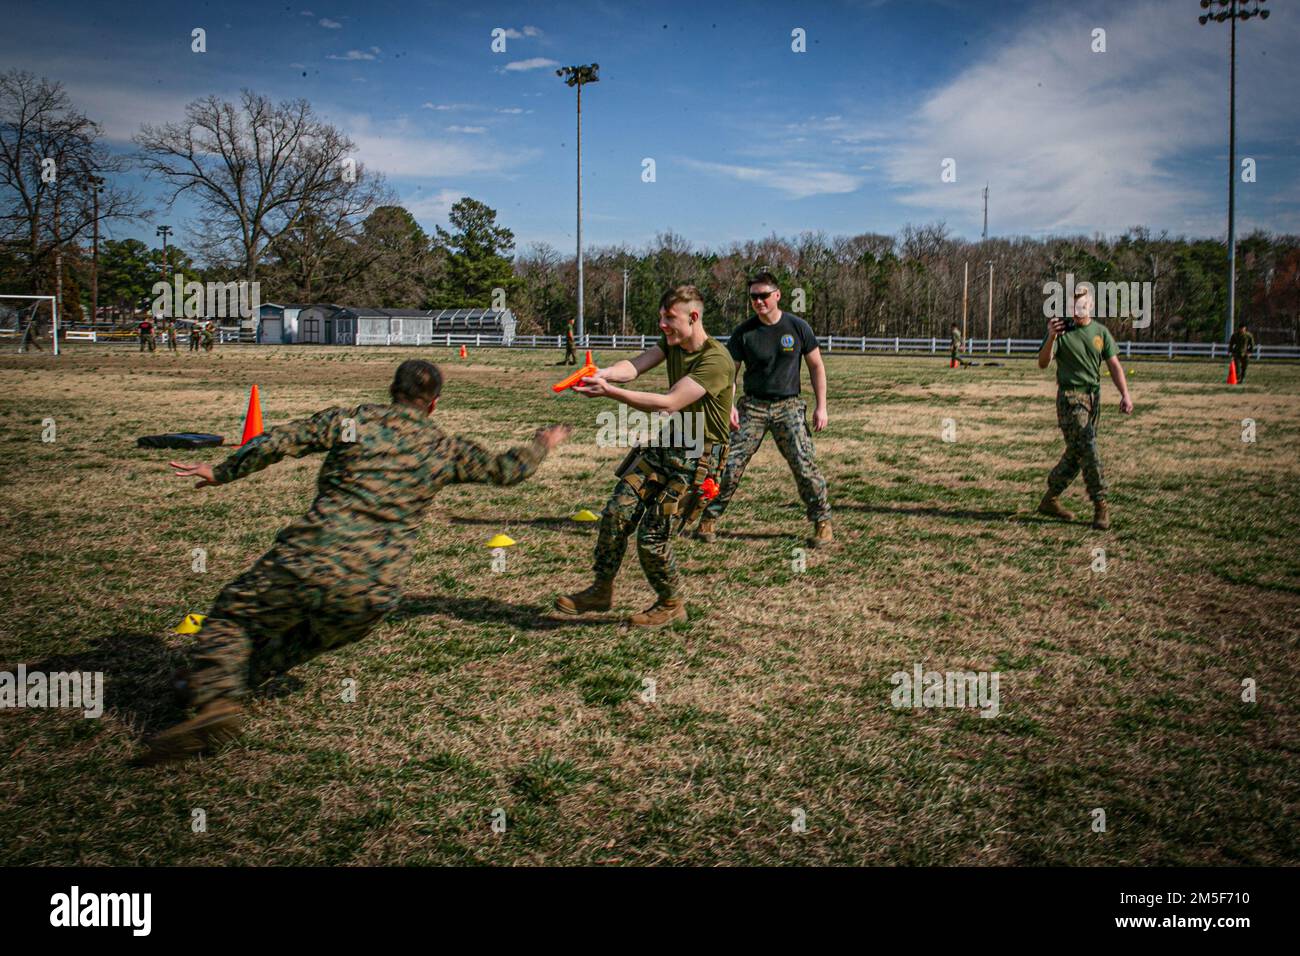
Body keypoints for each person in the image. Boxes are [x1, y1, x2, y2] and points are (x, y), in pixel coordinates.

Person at [140, 360, 572, 763]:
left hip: (308, 558)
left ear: (391, 391)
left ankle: (215, 698)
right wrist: (541, 443)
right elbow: (506, 470)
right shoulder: (444, 447)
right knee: (298, 642)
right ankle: (212, 688)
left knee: (236, 614)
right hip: (374, 589)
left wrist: (221, 471)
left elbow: (279, 439)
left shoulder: (352, 421)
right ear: (434, 403)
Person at [555, 284, 734, 626]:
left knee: (653, 534)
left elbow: (668, 402)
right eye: (661, 318)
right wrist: (604, 373)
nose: (663, 325)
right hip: (667, 445)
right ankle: (601, 588)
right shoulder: (673, 344)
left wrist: (609, 393)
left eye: (670, 318)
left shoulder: (715, 360)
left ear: (693, 318)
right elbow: (635, 366)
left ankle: (671, 604)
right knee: (615, 513)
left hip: (699, 459)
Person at [695, 271, 832, 548]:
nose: (759, 302)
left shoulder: (797, 327)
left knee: (804, 465)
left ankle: (822, 522)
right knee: (728, 466)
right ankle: (708, 518)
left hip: (789, 406)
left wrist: (822, 407)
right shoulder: (744, 333)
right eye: (754, 297)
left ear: (777, 295)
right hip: (753, 407)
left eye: (764, 296)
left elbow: (816, 366)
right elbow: (729, 374)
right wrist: (729, 406)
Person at [1036, 286, 1134, 530]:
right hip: (1070, 398)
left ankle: (1050, 498)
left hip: (1093, 399)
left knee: (1078, 452)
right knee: (1088, 445)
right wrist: (1051, 337)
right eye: (1073, 307)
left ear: (1090, 307)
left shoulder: (1100, 332)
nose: (1077, 312)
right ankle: (1100, 504)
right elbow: (1042, 363)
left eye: (1082, 307)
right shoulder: (1061, 331)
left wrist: (1125, 394)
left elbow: (1114, 365)